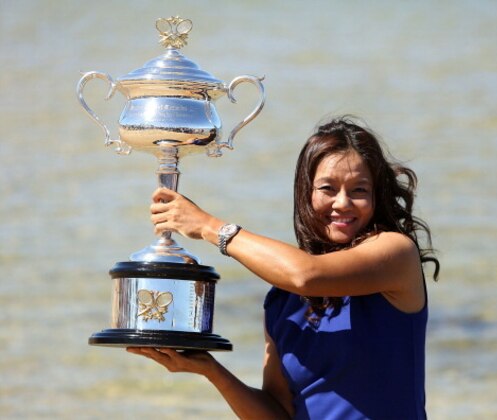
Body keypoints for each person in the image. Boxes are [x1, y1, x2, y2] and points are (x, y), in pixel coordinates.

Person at [127, 116, 440, 419]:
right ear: (306, 193)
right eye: (328, 188)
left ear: (375, 197)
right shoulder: (283, 298)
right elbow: (278, 415)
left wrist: (208, 226)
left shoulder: (396, 253)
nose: (342, 202)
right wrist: (211, 370)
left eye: (359, 190)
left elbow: (307, 275)